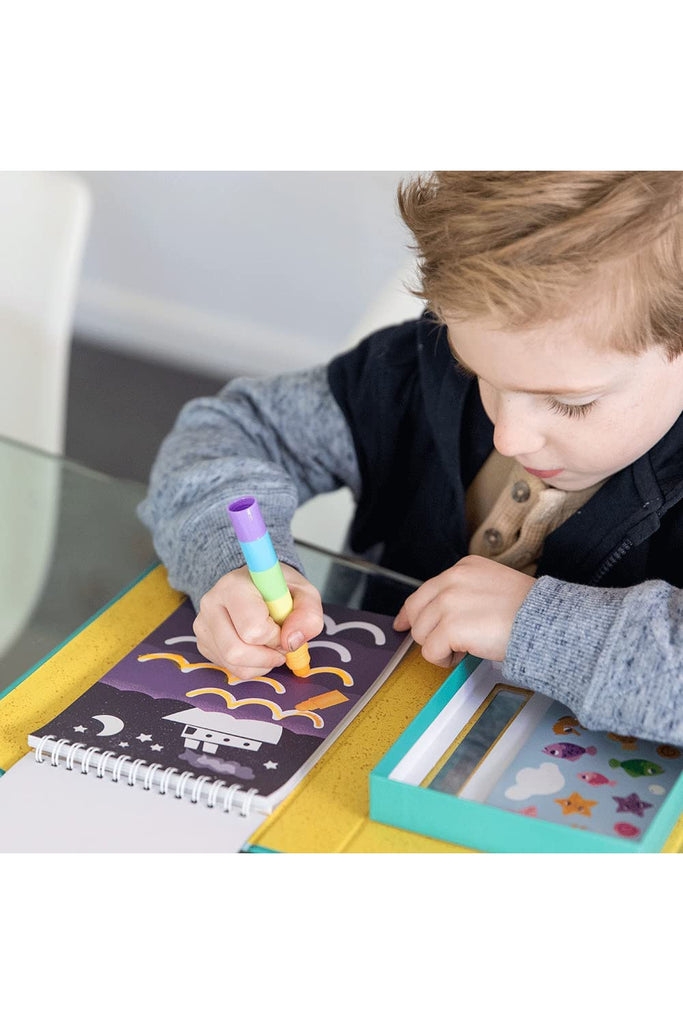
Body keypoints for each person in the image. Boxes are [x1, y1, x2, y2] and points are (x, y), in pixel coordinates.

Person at [138, 171, 683, 745]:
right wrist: (232, 565)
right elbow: (232, 432)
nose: (510, 437)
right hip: (358, 743)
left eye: (571, 403)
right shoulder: (414, 370)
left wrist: (541, 628)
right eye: (481, 376)